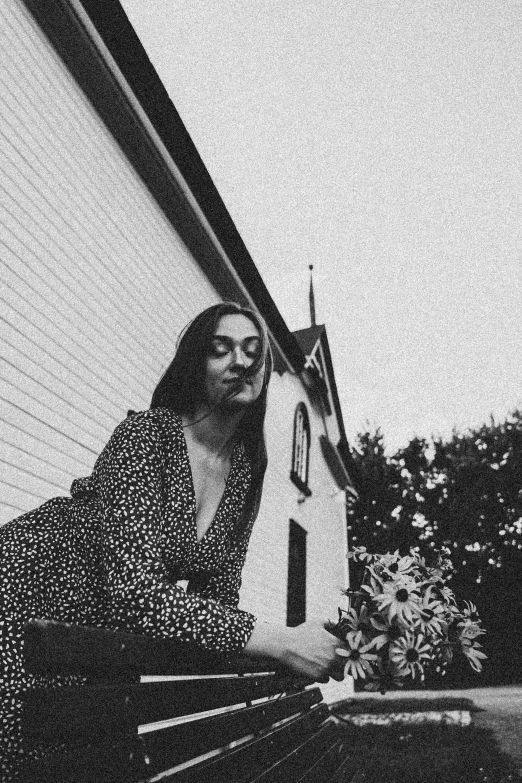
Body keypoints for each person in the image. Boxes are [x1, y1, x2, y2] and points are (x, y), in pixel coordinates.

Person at [0, 301, 346, 777]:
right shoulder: (147, 436)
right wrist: (281, 642)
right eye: (220, 349)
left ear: (265, 372)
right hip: (25, 596)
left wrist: (328, 643)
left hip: (101, 637)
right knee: (27, 756)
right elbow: (136, 592)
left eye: (253, 351)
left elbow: (218, 600)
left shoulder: (246, 472)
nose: (240, 361)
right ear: (194, 366)